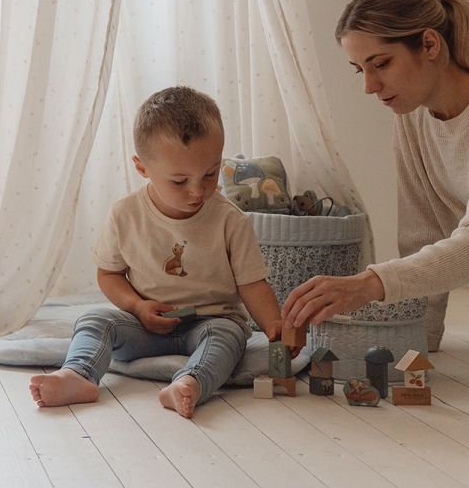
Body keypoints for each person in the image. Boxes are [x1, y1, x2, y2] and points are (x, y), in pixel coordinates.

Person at [283, 0, 469, 382]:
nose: (369, 86)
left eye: (381, 64)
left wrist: (371, 283)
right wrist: (421, 339)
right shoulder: (414, 117)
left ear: (431, 45)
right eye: (359, 69)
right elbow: (423, 232)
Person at [30, 86, 283, 417]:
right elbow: (109, 274)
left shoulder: (230, 221)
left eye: (210, 173)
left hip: (210, 321)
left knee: (230, 336)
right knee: (94, 319)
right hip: (145, 324)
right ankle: (78, 375)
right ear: (142, 167)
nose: (198, 190)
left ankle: (190, 383)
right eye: (180, 181)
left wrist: (275, 327)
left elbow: (252, 284)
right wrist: (136, 306)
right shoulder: (125, 214)